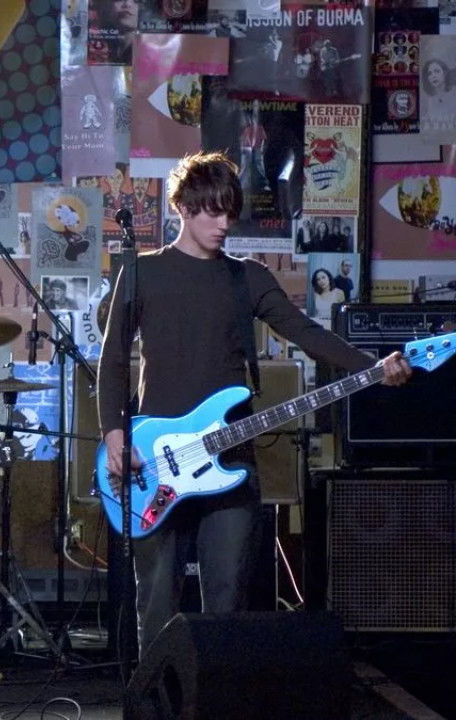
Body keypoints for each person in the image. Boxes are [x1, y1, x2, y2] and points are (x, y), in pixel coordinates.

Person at [97, 151, 411, 657]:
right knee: (155, 607)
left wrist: (371, 366)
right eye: (212, 212)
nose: (224, 224)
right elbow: (112, 360)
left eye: (229, 212)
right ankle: (154, 697)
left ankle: (215, 697)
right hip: (155, 461)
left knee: (227, 608)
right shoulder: (141, 273)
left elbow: (307, 334)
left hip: (232, 459)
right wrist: (115, 436)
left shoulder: (248, 277)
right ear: (183, 207)